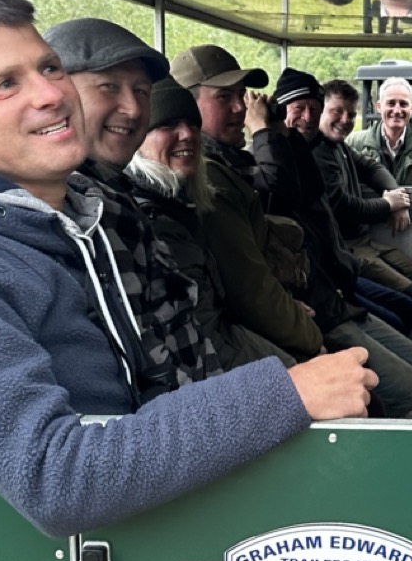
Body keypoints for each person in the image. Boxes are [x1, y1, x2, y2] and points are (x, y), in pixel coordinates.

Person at [0, 0, 376, 537]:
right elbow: (54, 478)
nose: (51, 95)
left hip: (164, 512)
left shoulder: (86, 218)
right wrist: (284, 394)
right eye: (4, 84)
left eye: (49, 69)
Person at [171, 47, 412, 415]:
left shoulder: (252, 159)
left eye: (240, 97)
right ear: (184, 105)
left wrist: (280, 132)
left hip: (324, 289)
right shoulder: (215, 175)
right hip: (301, 311)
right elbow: (282, 191)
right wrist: (264, 133)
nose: (239, 109)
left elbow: (309, 188)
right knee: (399, 388)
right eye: (223, 98)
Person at [43, 16, 219, 385]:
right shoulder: (69, 215)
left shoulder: (117, 200)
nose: (134, 109)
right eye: (108, 87)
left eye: (141, 92)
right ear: (54, 95)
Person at [127, 77, 297, 371]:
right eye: (168, 125)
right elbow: (198, 336)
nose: (186, 135)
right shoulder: (152, 219)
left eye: (193, 124)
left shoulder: (184, 202)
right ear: (137, 139)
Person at [311, 78, 412, 315]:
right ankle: (400, 344)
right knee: (411, 296)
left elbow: (372, 168)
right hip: (347, 248)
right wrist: (387, 205)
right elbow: (342, 206)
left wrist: (396, 196)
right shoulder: (319, 152)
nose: (345, 120)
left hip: (366, 241)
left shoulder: (341, 146)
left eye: (351, 115)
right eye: (336, 112)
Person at [347, 76, 412, 187]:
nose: (397, 110)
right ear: (379, 107)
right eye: (391, 103)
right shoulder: (354, 144)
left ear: (411, 109)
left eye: (403, 104)